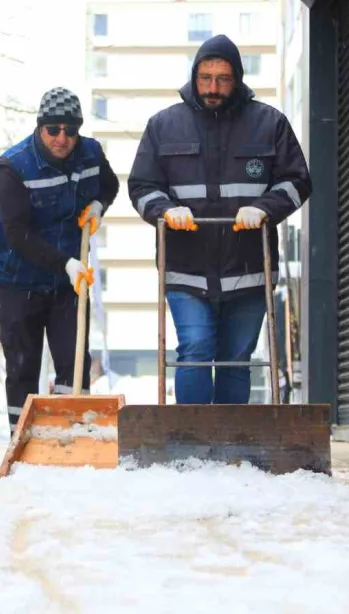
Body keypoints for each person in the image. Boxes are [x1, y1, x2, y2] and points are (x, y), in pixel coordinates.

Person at [127, 35, 311, 405]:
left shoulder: (269, 123)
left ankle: (230, 448)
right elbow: (142, 186)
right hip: (186, 269)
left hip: (248, 267)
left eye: (223, 78)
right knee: (195, 350)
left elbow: (298, 181)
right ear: (194, 76)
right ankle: (192, 446)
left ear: (238, 79)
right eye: (205, 77)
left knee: (234, 360)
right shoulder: (163, 125)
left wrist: (265, 207)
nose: (213, 87)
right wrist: (166, 210)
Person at [0, 87, 120, 434]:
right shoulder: (11, 167)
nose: (62, 138)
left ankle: (71, 434)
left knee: (73, 360)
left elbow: (109, 185)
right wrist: (65, 262)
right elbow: (16, 233)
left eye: (70, 130)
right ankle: (22, 437)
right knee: (22, 365)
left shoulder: (90, 154)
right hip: (17, 278)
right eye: (53, 130)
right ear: (40, 127)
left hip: (67, 283)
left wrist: (98, 206)